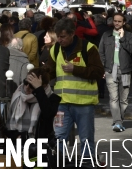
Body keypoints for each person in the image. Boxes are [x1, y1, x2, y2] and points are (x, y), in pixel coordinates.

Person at [44, 18, 104, 162]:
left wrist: (75, 69)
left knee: (86, 139)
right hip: (62, 103)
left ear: (72, 34)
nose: (60, 39)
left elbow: (97, 72)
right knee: (59, 137)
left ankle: (87, 163)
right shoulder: (55, 48)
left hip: (84, 104)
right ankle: (57, 163)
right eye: (58, 36)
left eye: (63, 36)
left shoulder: (88, 48)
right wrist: (41, 73)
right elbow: (50, 71)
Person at [98, 13, 132, 132]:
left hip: (125, 70)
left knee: (124, 99)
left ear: (124, 22)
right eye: (115, 21)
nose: (117, 23)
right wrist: (103, 67)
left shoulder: (129, 35)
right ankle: (117, 122)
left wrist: (123, 38)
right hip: (110, 69)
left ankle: (119, 120)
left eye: (119, 21)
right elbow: (101, 52)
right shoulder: (106, 35)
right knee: (113, 97)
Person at [7, 67, 60, 140]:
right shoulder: (17, 95)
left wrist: (39, 90)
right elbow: (7, 124)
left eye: (32, 85)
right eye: (26, 82)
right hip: (18, 144)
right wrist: (17, 136)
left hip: (40, 145)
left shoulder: (51, 98)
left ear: (43, 86)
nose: (27, 87)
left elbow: (48, 114)